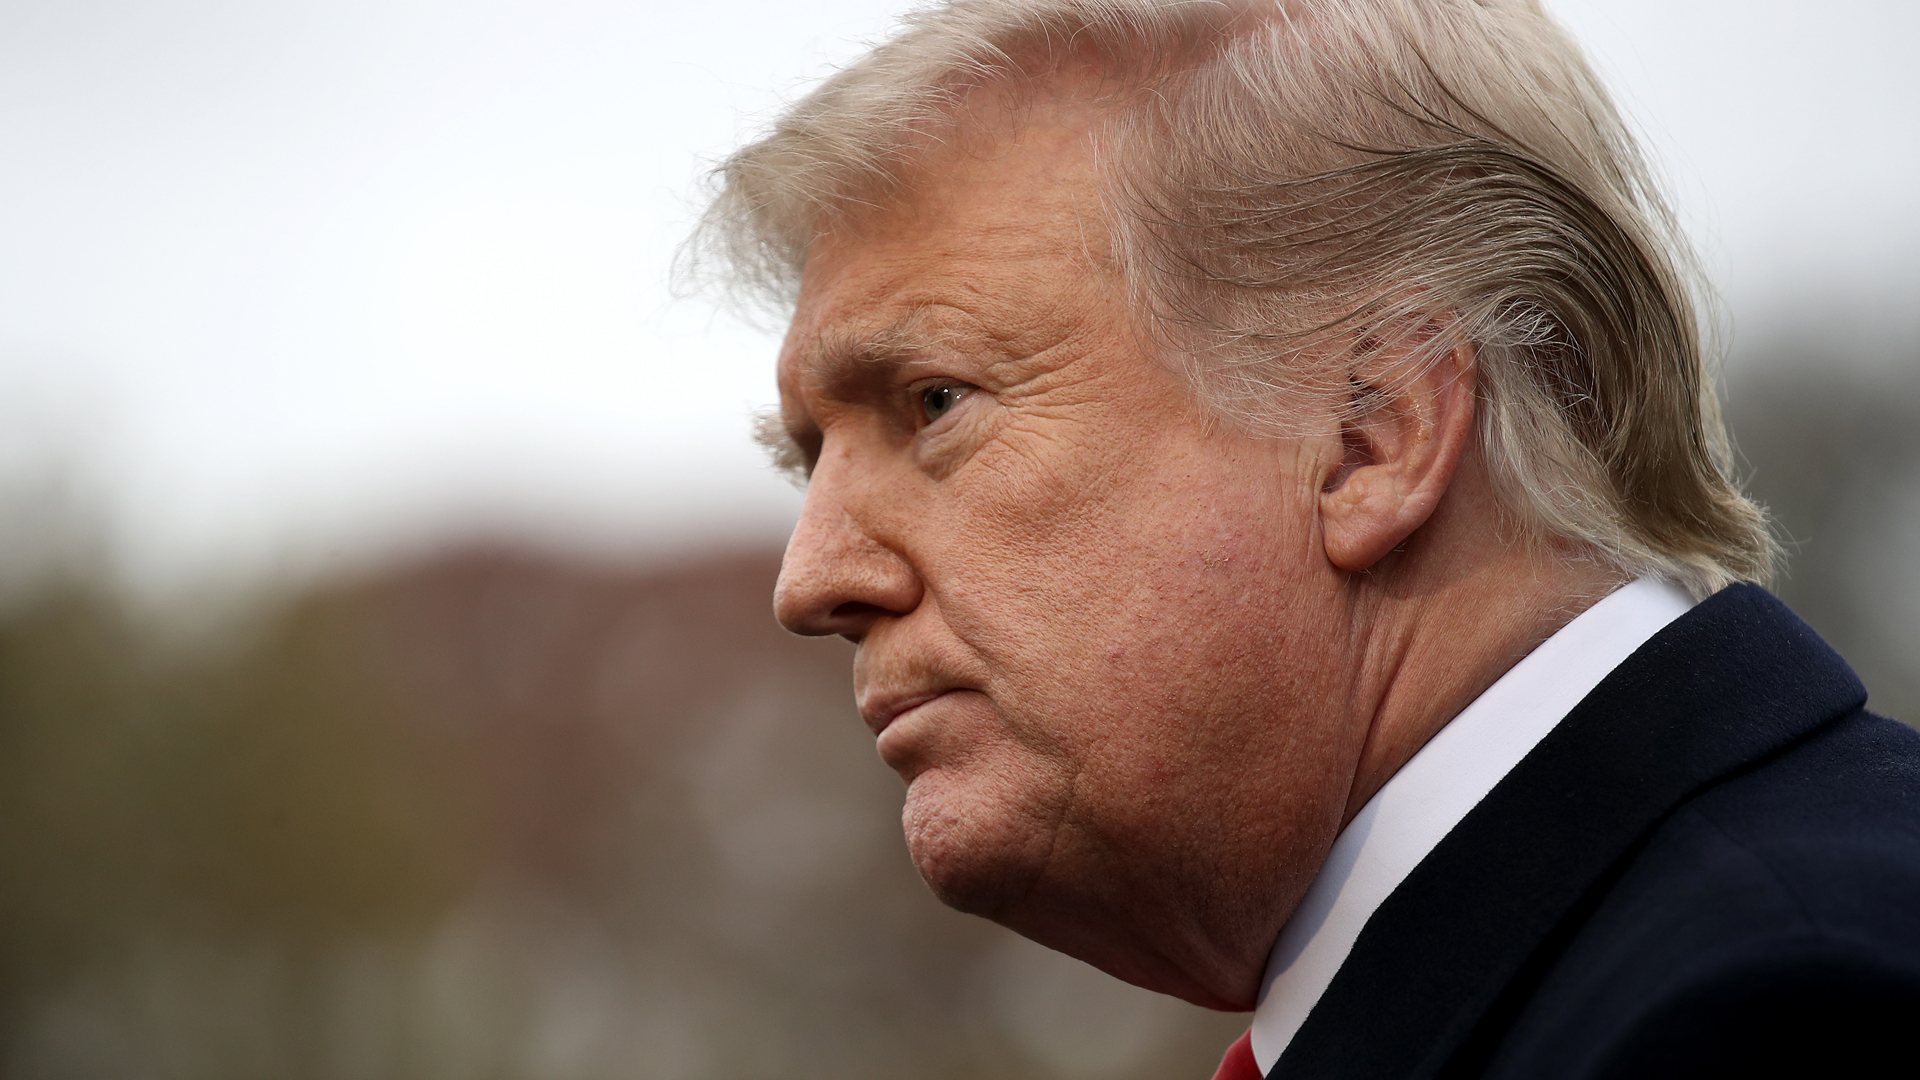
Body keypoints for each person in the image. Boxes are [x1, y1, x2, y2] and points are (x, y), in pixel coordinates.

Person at [694, 1, 1920, 1076]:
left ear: (1369, 434)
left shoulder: (1778, 1008)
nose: (813, 581)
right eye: (807, 459)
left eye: (934, 403)